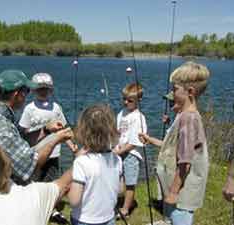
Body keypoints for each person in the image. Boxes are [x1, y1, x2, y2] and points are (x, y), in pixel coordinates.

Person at [0, 70, 73, 185]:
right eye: (27, 91)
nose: (27, 95)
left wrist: (45, 130)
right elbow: (30, 166)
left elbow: (19, 139)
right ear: (17, 95)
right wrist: (55, 139)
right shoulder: (2, 129)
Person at [152, 61, 210, 225]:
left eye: (175, 89)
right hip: (177, 192)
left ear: (190, 92)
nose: (172, 93)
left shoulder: (188, 119)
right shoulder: (185, 116)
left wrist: (173, 192)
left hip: (181, 196)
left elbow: (185, 162)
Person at [19, 72, 77, 223]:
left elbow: (64, 129)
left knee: (51, 182)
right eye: (40, 89)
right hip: (36, 154)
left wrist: (72, 145)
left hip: (54, 153)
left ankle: (52, 210)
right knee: (34, 182)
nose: (43, 92)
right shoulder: (29, 109)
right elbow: (23, 132)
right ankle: (34, 208)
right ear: (33, 90)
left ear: (51, 90)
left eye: (46, 89)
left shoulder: (56, 108)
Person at [68, 104, 123, 225]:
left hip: (83, 220)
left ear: (83, 131)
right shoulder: (117, 159)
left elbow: (73, 200)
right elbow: (120, 190)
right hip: (109, 218)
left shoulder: (81, 162)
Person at [113, 83, 147, 217]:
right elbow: (117, 132)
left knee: (130, 182)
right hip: (119, 151)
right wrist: (114, 146)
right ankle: (117, 203)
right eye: (124, 99)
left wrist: (120, 151)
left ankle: (125, 209)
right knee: (116, 179)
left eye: (130, 100)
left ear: (139, 101)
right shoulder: (122, 113)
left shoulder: (139, 117)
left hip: (131, 154)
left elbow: (135, 141)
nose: (126, 102)